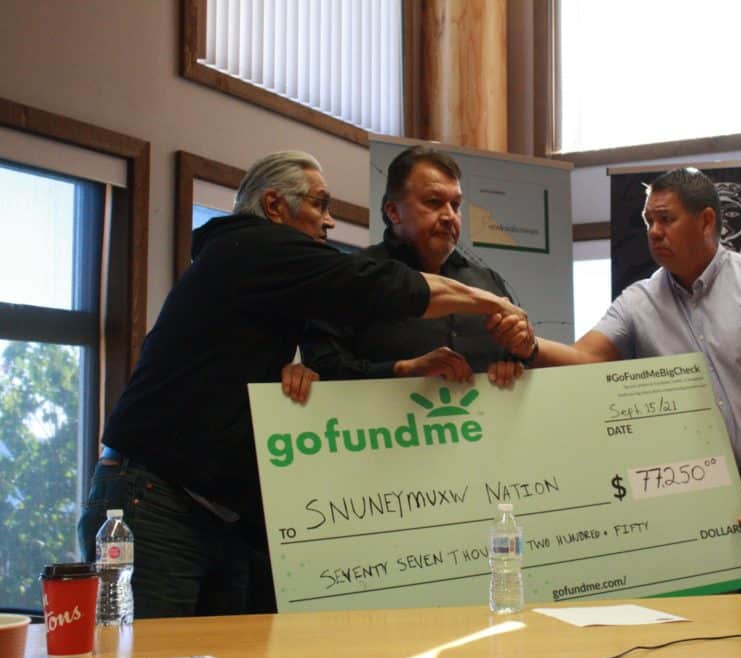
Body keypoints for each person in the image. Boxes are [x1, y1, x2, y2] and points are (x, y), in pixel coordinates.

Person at [77, 151, 529, 618]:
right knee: (147, 653)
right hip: (156, 500)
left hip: (217, 511)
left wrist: (290, 375)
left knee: (218, 653)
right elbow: (384, 287)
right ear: (275, 206)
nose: (329, 221)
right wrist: (492, 304)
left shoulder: (250, 263)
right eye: (320, 204)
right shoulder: (256, 248)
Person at [492, 167, 741, 591]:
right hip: (692, 498)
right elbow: (586, 358)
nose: (654, 231)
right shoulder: (639, 302)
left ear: (706, 221)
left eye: (666, 219)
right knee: (706, 625)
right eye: (649, 220)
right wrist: (530, 347)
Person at [301, 145, 528, 387]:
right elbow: (323, 368)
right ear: (393, 211)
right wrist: (402, 370)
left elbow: (517, 357)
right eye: (434, 202)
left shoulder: (487, 281)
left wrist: (514, 365)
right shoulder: (352, 277)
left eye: (455, 205)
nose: (449, 216)